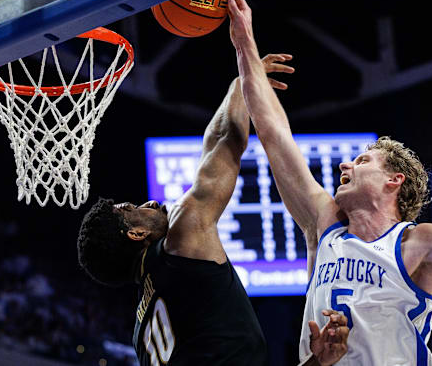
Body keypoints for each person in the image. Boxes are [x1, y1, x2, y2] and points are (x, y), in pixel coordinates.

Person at [226, 0, 432, 366]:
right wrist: (244, 41)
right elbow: (274, 132)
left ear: (395, 180)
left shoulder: (418, 243)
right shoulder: (322, 225)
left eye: (361, 162)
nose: (345, 165)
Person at [78, 55, 349, 365]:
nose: (150, 203)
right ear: (136, 232)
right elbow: (224, 140)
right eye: (133, 208)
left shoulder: (141, 332)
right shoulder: (181, 239)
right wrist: (241, 83)